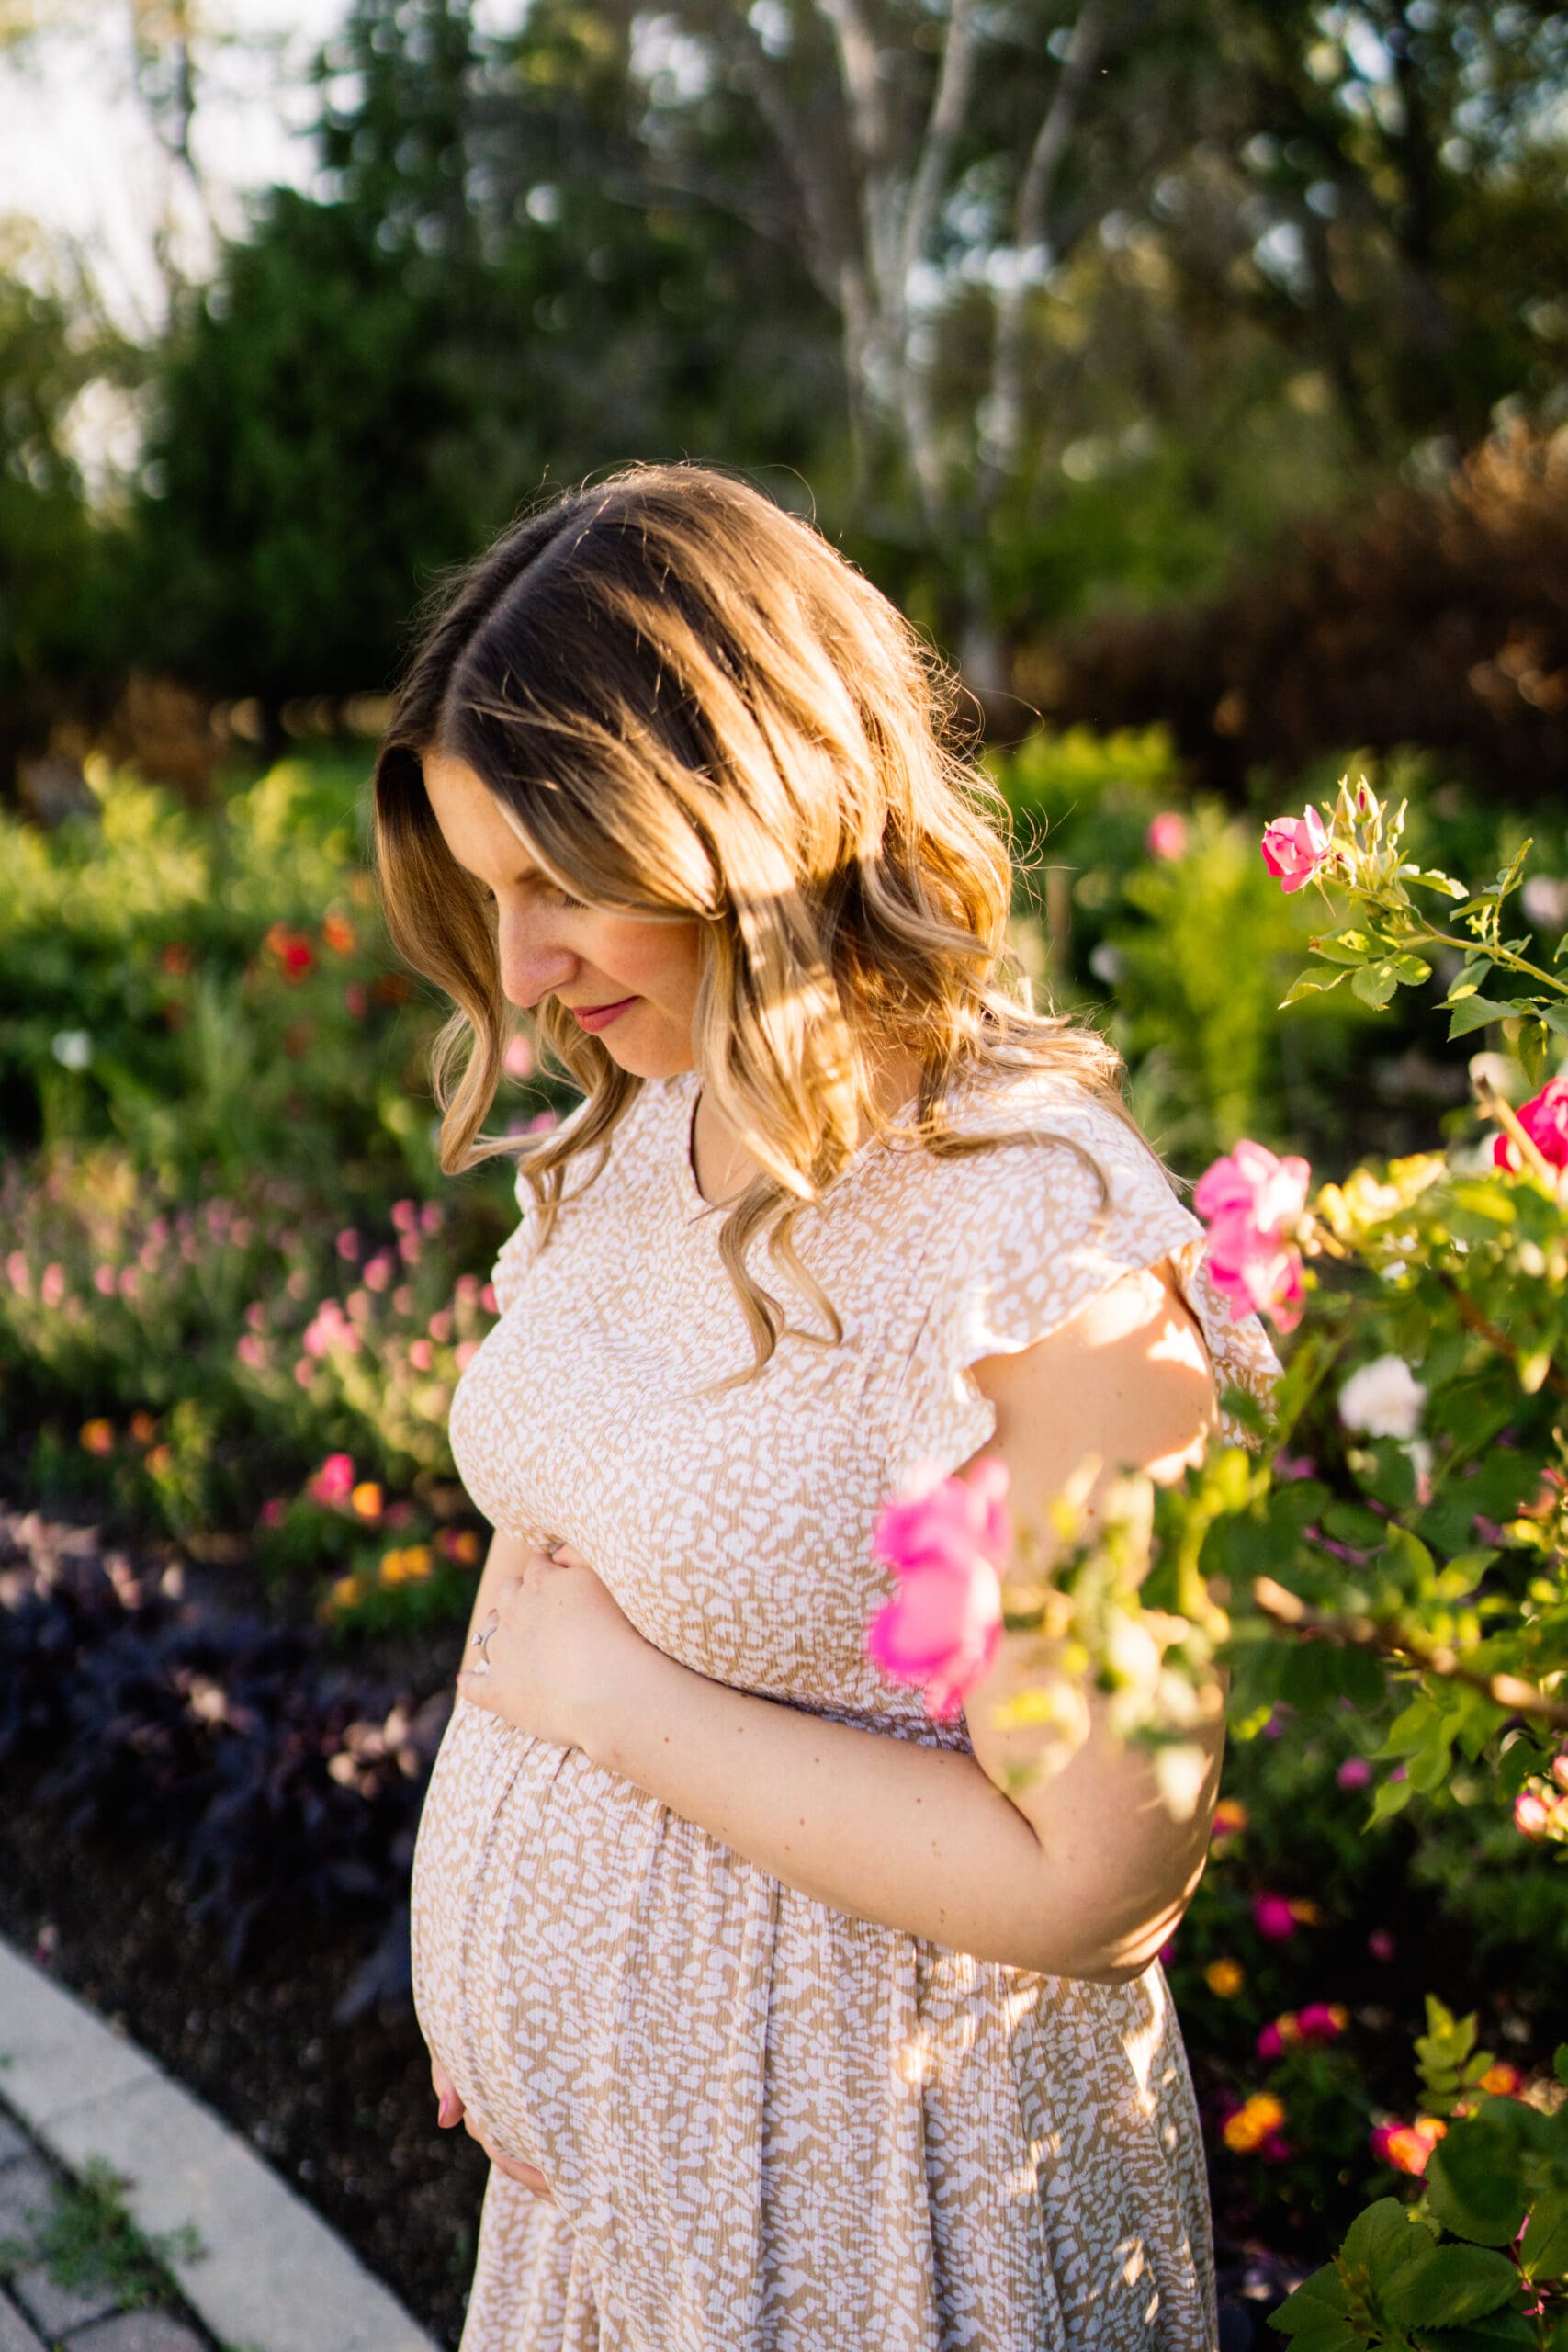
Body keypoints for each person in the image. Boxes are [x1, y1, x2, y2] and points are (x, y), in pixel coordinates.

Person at [372, 462, 1281, 2352]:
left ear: (747, 820)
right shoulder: (632, 1133)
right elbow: (553, 1554)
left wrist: (612, 1704)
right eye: (486, 886)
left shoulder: (1034, 1234)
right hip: (603, 2219)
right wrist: (509, 1995)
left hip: (874, 2220)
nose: (522, 971)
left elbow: (1099, 1875)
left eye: (562, 880)